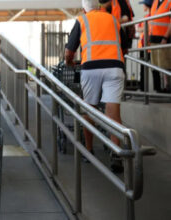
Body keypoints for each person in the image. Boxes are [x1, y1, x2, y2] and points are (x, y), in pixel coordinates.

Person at [65, 0, 129, 173]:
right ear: (99, 6)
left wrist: (69, 62)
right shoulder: (113, 20)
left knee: (89, 108)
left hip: (91, 68)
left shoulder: (82, 20)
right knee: (113, 110)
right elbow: (126, 47)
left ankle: (88, 150)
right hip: (115, 67)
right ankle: (116, 153)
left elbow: (69, 51)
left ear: (84, 9)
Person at [149, 0, 171, 93]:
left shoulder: (169, 2)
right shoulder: (155, 2)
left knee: (166, 64)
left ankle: (169, 87)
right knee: (154, 65)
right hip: (153, 38)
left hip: (164, 38)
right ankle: (157, 88)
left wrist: (165, 37)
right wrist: (149, 36)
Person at [137, 0, 154, 91]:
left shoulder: (152, 16)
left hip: (150, 46)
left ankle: (157, 88)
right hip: (143, 46)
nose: (142, 6)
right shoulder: (145, 17)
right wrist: (142, 29)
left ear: (147, 5)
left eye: (143, 5)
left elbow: (142, 28)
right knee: (143, 68)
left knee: (155, 68)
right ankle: (142, 88)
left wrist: (142, 29)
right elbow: (139, 28)